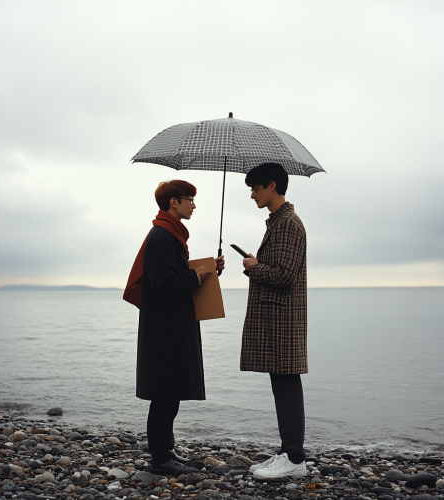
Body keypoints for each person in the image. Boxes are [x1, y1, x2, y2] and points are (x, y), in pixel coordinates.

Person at [123, 179, 225, 476]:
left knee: (170, 393)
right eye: (189, 199)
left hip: (170, 327)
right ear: (173, 203)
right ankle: (160, 459)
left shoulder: (171, 235)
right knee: (164, 395)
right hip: (164, 331)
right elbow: (163, 284)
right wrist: (196, 277)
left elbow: (172, 274)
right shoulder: (161, 236)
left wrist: (208, 271)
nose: (193, 204)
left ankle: (166, 452)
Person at [240, 162, 308, 480]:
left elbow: (283, 275)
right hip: (276, 318)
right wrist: (256, 264)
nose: (252, 194)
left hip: (282, 319)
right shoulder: (277, 222)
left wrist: (255, 267)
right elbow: (278, 268)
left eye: (255, 188)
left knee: (286, 385)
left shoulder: (288, 224)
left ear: (271, 186)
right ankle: (287, 451)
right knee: (281, 385)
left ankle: (294, 457)